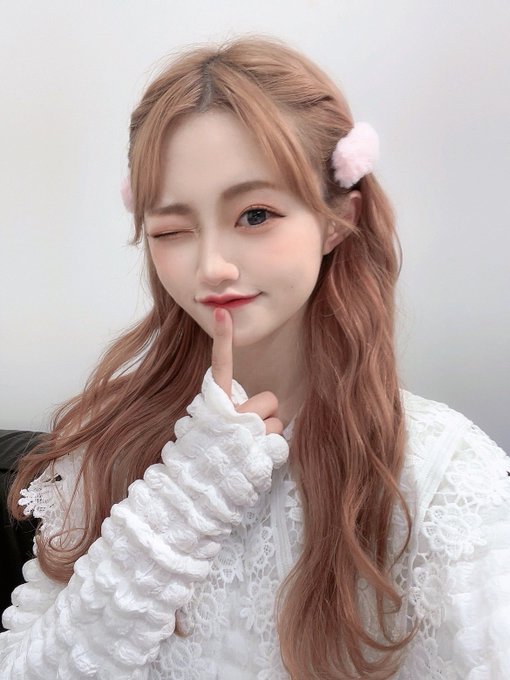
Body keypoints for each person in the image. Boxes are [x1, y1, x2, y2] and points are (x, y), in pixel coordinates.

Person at [1, 35, 509, 680]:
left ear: (337, 219)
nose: (212, 265)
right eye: (173, 230)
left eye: (256, 214)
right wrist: (186, 495)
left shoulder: (443, 475)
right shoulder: (103, 447)